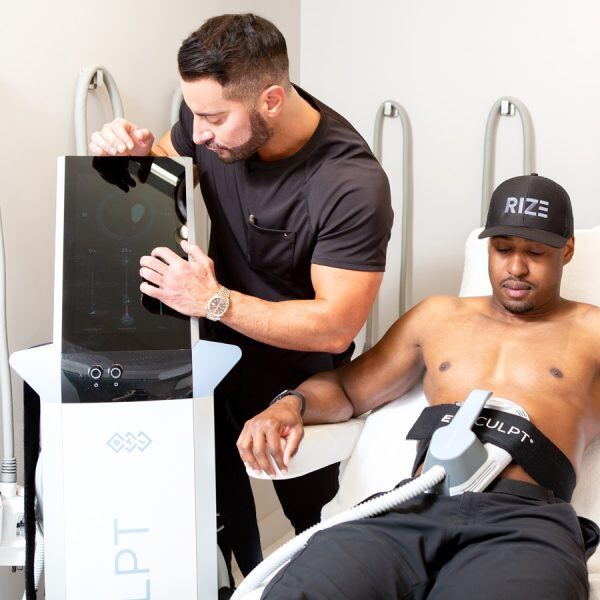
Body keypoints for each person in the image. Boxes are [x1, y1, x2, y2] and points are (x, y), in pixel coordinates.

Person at [89, 13, 393, 578]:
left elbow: (335, 327)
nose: (199, 132)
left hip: (297, 378)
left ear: (271, 100)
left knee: (323, 534)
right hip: (210, 354)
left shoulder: (350, 184)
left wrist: (214, 301)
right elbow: (170, 172)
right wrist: (136, 160)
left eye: (213, 119)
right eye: (194, 113)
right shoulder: (208, 117)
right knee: (211, 510)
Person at [238, 173, 600, 599]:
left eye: (536, 253)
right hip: (413, 505)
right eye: (503, 249)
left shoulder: (592, 330)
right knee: (301, 590)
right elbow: (347, 391)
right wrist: (289, 405)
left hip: (524, 520)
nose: (516, 268)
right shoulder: (438, 317)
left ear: (567, 250)